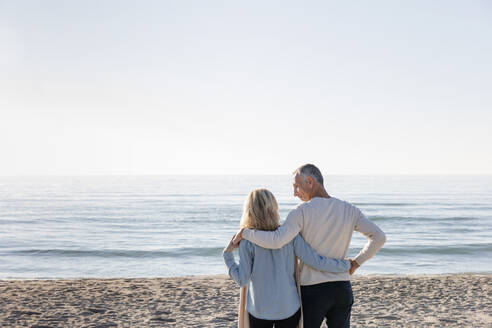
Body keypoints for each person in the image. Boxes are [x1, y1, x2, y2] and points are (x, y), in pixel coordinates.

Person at [233, 164, 386, 328]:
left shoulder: (300, 212)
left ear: (309, 181)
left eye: (296, 186)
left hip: (312, 291)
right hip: (342, 287)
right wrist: (356, 262)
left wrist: (245, 233)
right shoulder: (349, 210)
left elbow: (277, 240)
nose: (294, 193)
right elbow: (379, 237)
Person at [223, 188, 351, 328]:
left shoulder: (247, 241)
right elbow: (316, 262)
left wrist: (227, 255)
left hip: (259, 310)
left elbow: (242, 279)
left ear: (249, 211)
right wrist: (345, 265)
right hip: (289, 309)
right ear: (274, 208)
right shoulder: (289, 235)